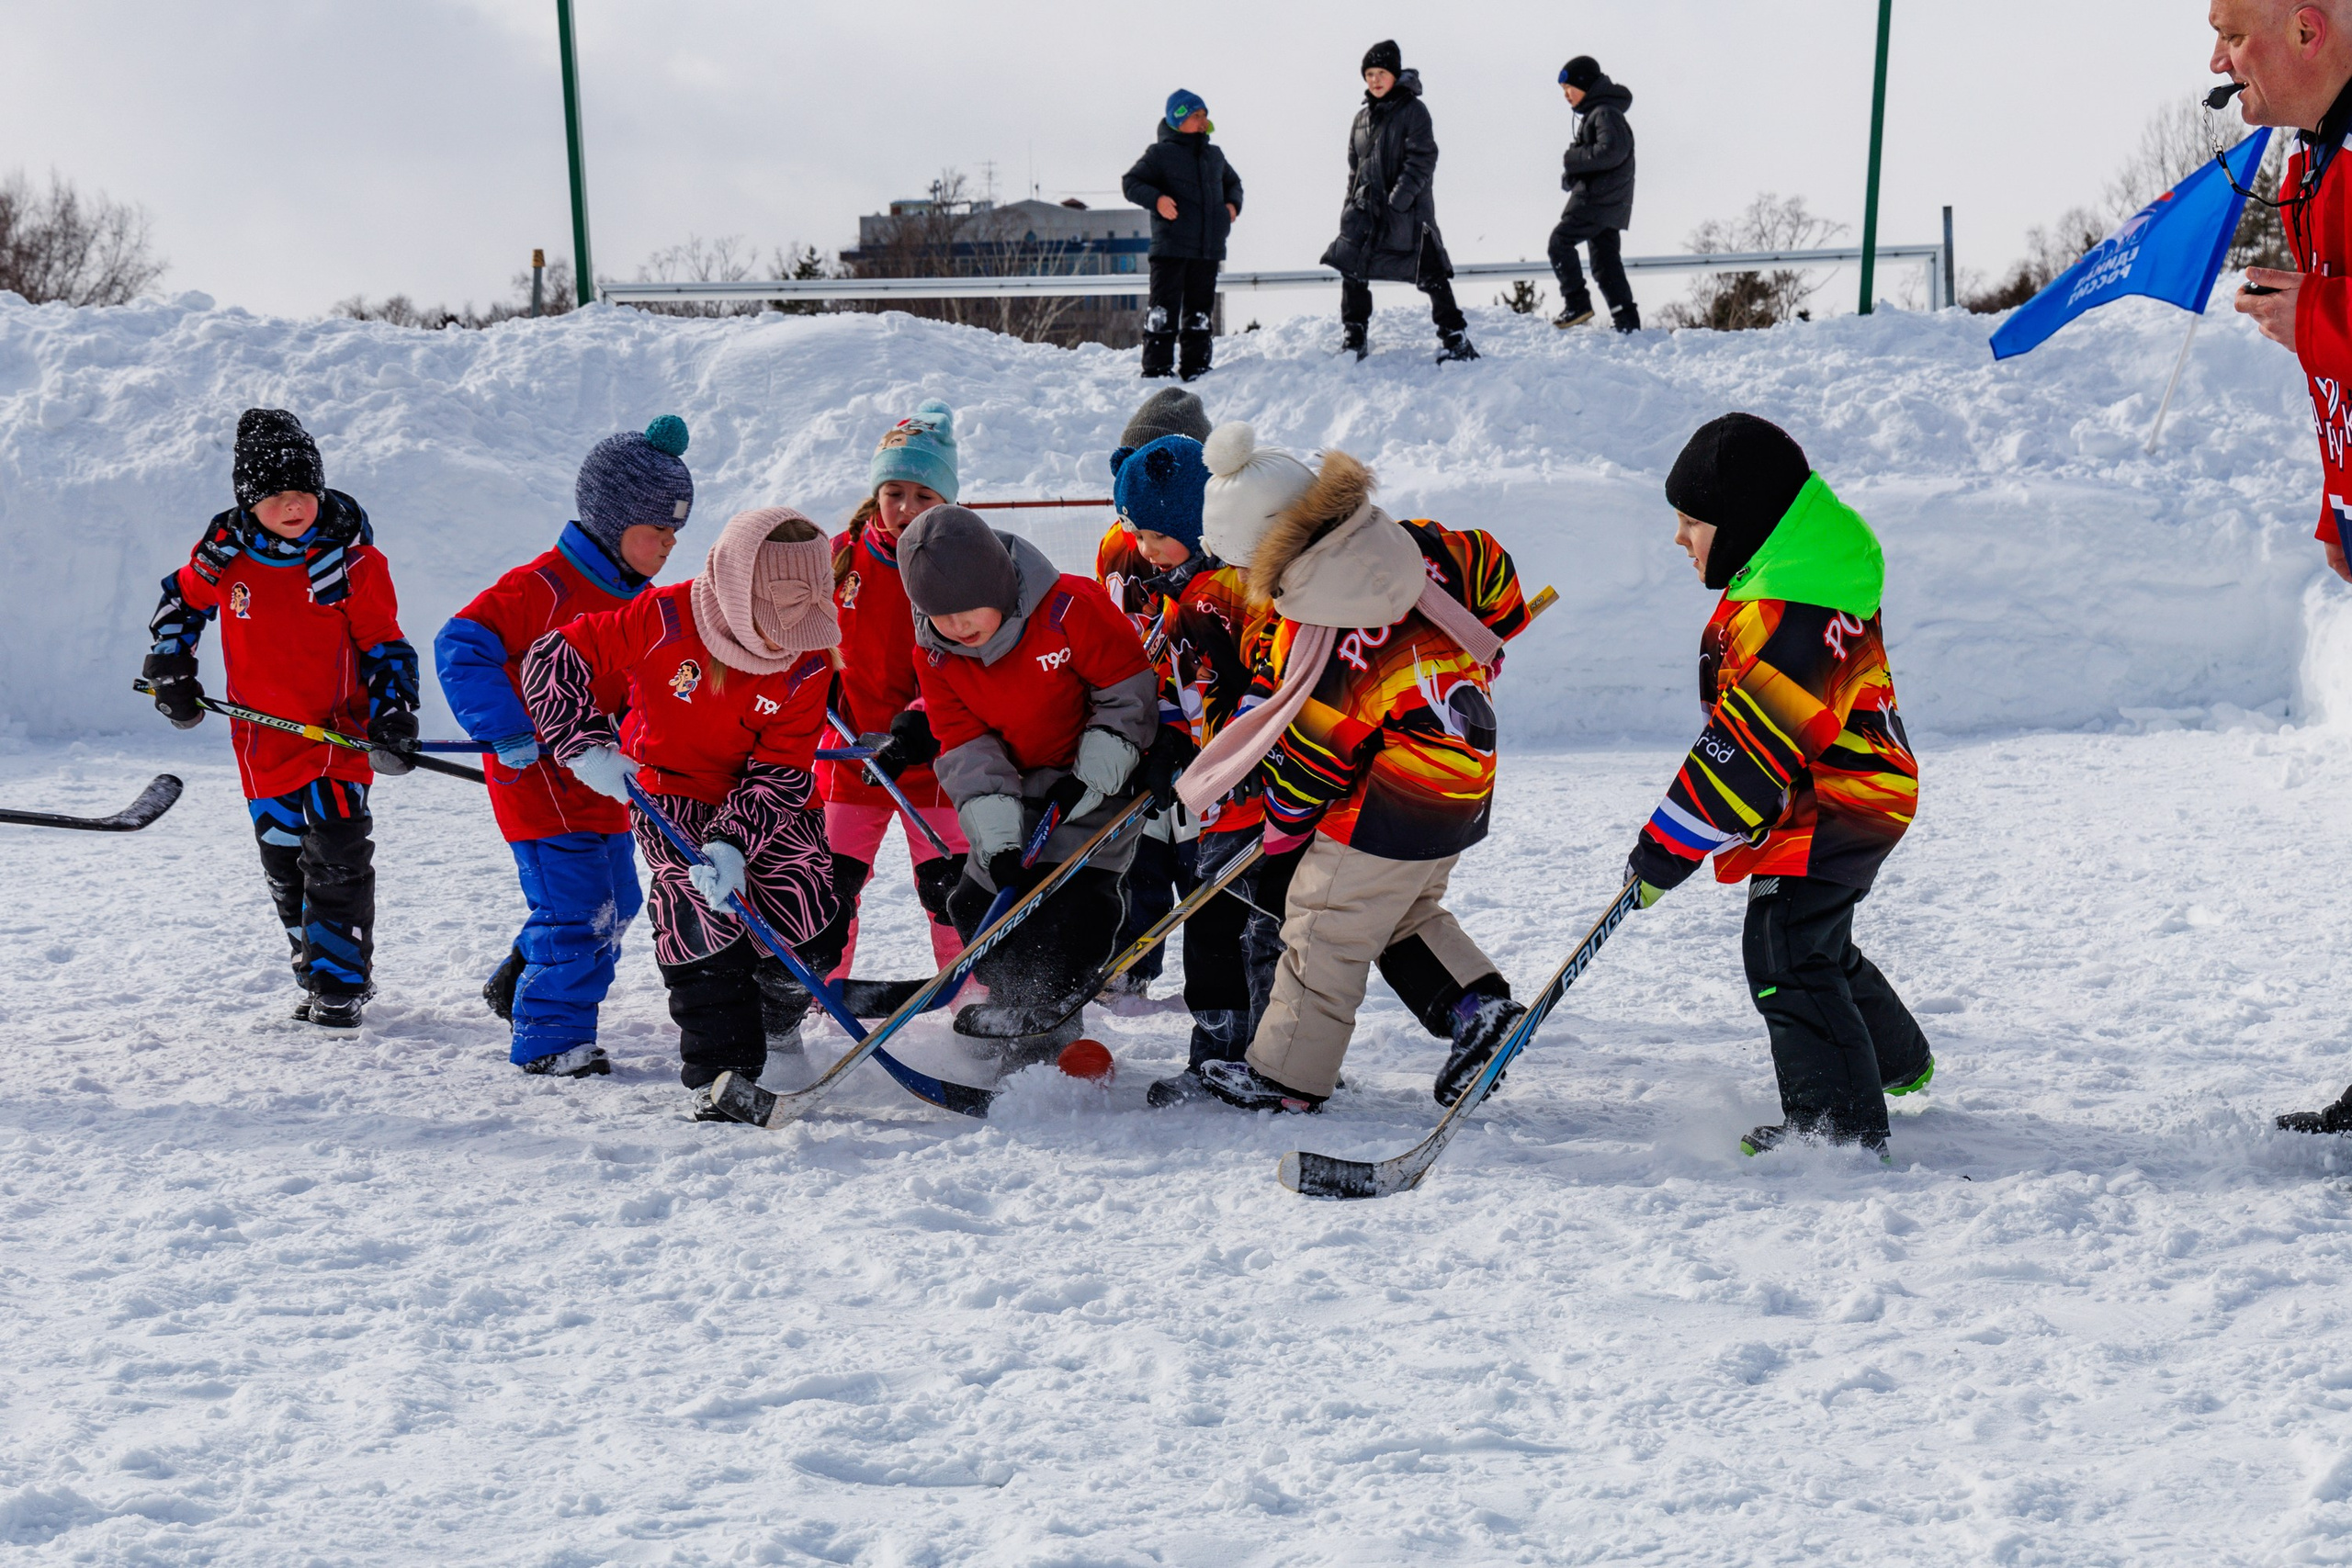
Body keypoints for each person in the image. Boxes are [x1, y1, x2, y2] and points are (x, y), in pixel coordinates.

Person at [1170, 443, 1532, 1113]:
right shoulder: (1417, 544)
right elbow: (1489, 560)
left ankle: (1284, 1075)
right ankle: (1479, 1011)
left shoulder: (1315, 632)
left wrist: (1282, 832)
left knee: (1323, 923)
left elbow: (1315, 756)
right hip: (1465, 767)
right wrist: (1489, 632)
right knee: (1396, 909)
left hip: (1394, 796)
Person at [1622, 414, 1928, 1159]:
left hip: (1837, 798)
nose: (1678, 537)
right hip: (1847, 786)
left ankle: (1837, 1132)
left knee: (1785, 947)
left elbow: (1747, 750)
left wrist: (1665, 850)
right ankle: (1896, 1061)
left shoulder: (1791, 609)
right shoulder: (1800, 577)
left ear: (1745, 523)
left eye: (1692, 521)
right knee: (1814, 937)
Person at [522, 508, 846, 1119]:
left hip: (767, 797)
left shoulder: (806, 661)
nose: (788, 640)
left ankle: (778, 1017)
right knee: (700, 914)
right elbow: (551, 658)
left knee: (811, 917)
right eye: (776, 621)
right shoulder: (664, 617)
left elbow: (781, 766)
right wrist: (584, 745)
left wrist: (734, 840)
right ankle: (722, 1074)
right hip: (672, 791)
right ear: (733, 590)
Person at [141, 409, 419, 1032]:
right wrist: (170, 667)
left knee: (339, 860)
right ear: (249, 502)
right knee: (285, 869)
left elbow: (386, 647)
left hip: (335, 739)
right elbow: (181, 601)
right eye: (276, 497)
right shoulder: (224, 557)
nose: (293, 507)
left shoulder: (351, 565)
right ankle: (310, 966)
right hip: (262, 745)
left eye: (303, 492)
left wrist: (395, 713)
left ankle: (340, 984)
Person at [434, 416, 693, 1077]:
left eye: (674, 534)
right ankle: (550, 1037)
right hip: (537, 778)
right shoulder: (539, 587)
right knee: (578, 908)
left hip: (603, 781)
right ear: (612, 520)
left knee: (622, 903)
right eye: (655, 531)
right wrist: (506, 725)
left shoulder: (646, 603)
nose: (666, 545)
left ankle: (525, 973)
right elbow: (462, 646)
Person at [2211, 0, 2352, 1132]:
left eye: (2231, 31)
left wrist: (2318, 313)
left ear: (2305, 27)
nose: (2218, 61)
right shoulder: (2314, 165)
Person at [899, 503, 1170, 1065]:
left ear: (997, 584)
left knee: (1067, 901)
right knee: (977, 902)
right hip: (1016, 789)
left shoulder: (1072, 606)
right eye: (940, 616)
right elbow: (966, 744)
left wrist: (1089, 779)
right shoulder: (935, 650)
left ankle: (1048, 1021)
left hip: (1097, 778)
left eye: (967, 611)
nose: (957, 628)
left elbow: (1128, 696)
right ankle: (1015, 1010)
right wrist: (997, 843)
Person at [1136, 424, 1299, 1106]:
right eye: (1136, 535)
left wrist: (1220, 757)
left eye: (1155, 535)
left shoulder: (1217, 595)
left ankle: (1255, 1055)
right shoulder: (1189, 596)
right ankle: (1232, 1051)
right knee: (1223, 919)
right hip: (1220, 792)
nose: (1143, 550)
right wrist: (1168, 742)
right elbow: (1180, 687)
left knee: (1244, 920)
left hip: (1251, 793)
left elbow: (1260, 692)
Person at [828, 400, 971, 978]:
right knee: (829, 889)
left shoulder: (963, 561)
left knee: (951, 892)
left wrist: (919, 723)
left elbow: (965, 659)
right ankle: (818, 995)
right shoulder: (838, 554)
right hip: (851, 759)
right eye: (895, 492)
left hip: (934, 759)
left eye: (923, 496)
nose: (905, 509)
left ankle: (971, 997)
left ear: (947, 502)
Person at [1321, 39, 1478, 365]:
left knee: (1431, 272)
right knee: (1353, 267)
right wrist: (1349, 207)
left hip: (1407, 212)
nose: (1375, 80)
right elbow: (1356, 169)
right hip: (1366, 211)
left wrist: (1400, 200)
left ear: (1395, 74)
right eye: (1369, 74)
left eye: (1381, 73)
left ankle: (1455, 338)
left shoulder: (1414, 111)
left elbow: (1423, 157)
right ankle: (1354, 334)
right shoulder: (1361, 119)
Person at [1123, 89, 1245, 381]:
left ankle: (1197, 366)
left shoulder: (1214, 155)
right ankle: (1157, 369)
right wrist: (1158, 200)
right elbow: (1131, 183)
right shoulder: (1160, 154)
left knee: (1200, 313)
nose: (1203, 121)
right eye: (1195, 116)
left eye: (1204, 115)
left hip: (1207, 248)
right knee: (1163, 311)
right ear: (1177, 120)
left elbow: (1234, 182)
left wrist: (1232, 205)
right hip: (1171, 248)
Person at [1550, 55, 1640, 333]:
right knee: (1605, 263)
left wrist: (1573, 159)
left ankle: (1577, 303)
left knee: (1560, 242)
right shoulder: (1602, 112)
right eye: (1563, 90)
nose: (1566, 95)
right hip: (1609, 200)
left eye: (1569, 88)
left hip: (1597, 200)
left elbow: (1611, 151)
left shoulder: (1604, 113)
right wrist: (1574, 174)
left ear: (1585, 84)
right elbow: (1603, 156)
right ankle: (1626, 319)